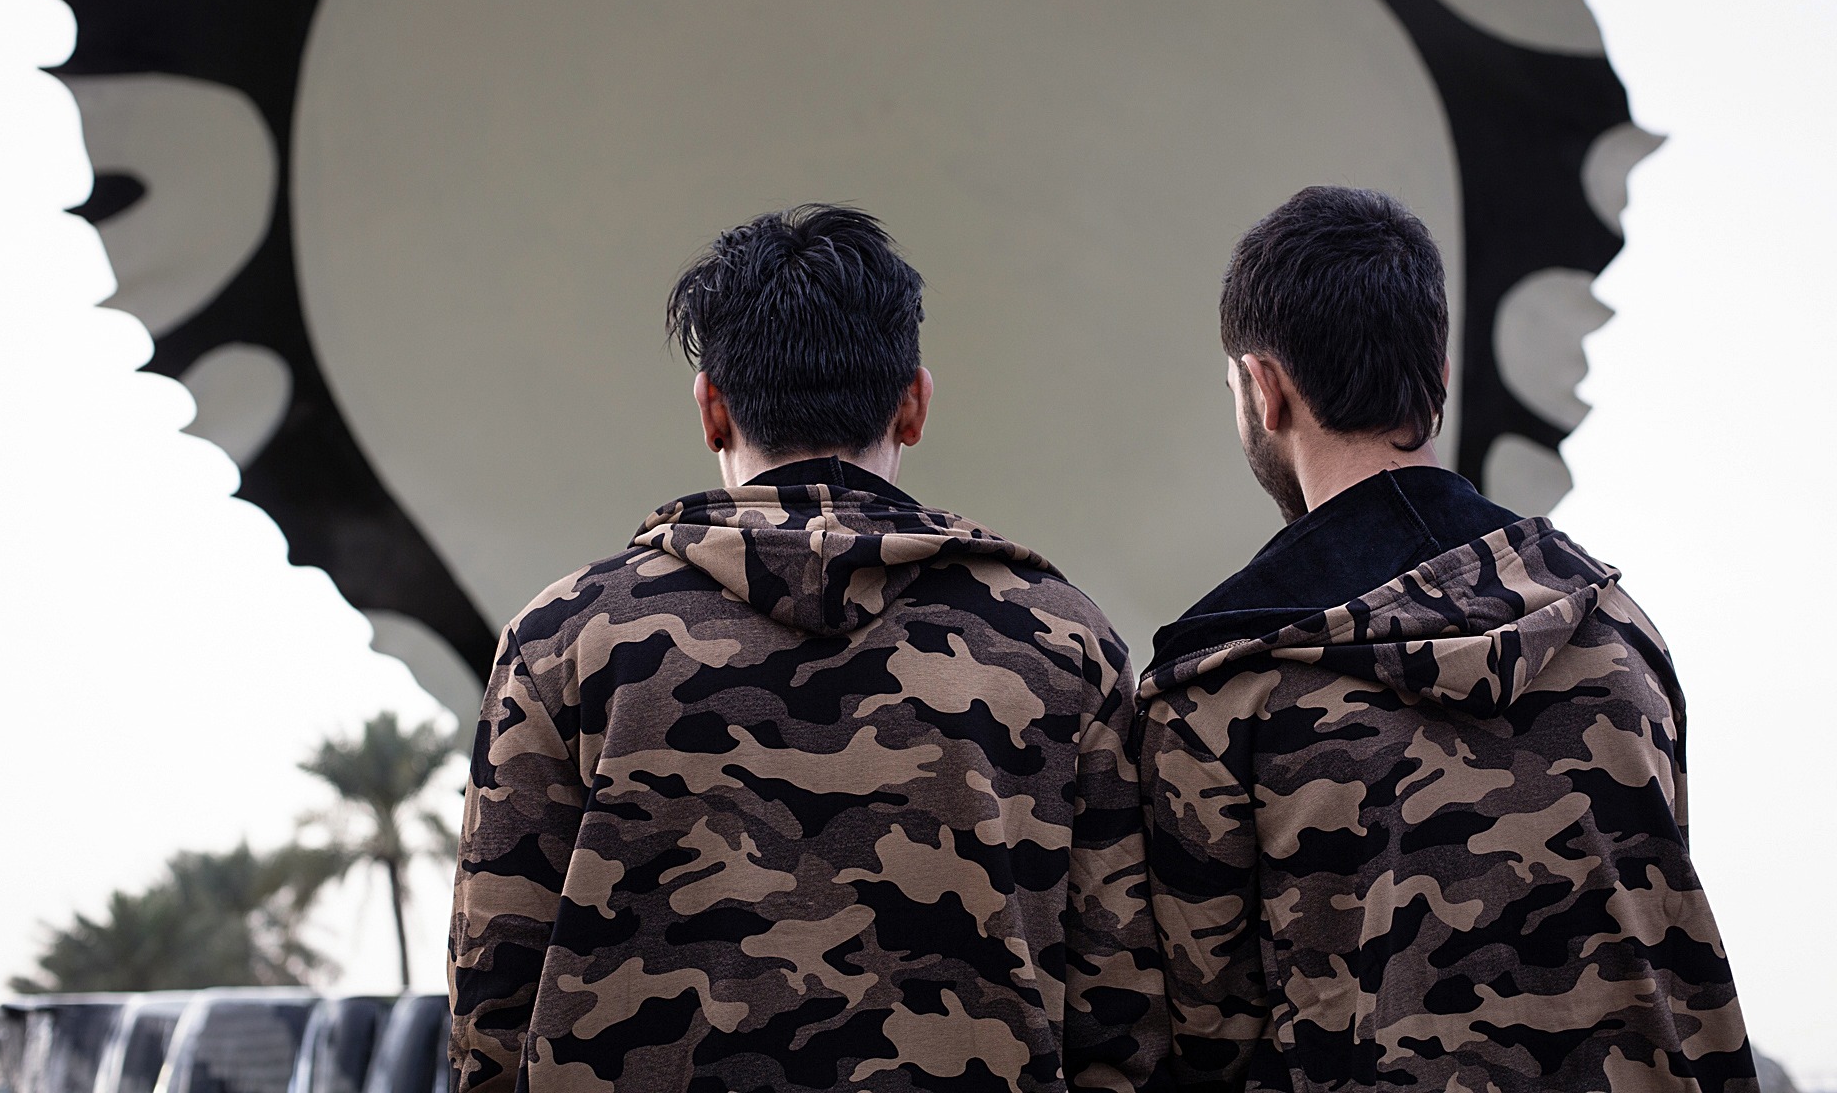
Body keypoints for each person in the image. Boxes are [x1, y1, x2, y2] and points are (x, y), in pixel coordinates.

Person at [447, 205, 1165, 1093]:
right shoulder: (1063, 646)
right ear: (914, 403)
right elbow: (1123, 1021)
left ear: (711, 407)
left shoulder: (561, 644)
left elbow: (490, 1012)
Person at [1140, 186, 1754, 1092]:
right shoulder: (1616, 631)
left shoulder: (1216, 695)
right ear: (1442, 374)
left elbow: (1203, 1042)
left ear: (1264, 391)